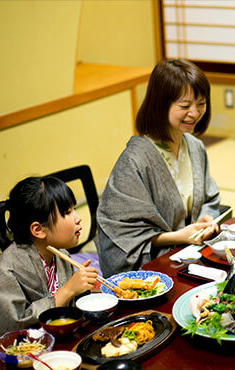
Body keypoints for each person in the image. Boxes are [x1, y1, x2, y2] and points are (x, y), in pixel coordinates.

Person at [96, 59, 221, 277]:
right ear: (161, 104)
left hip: (191, 256)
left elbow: (210, 200)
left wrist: (205, 220)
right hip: (156, 268)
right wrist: (179, 236)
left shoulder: (194, 147)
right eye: (184, 106)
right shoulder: (134, 161)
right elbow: (121, 233)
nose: (195, 112)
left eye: (201, 103)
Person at [0, 176, 98, 364]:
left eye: (74, 209)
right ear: (38, 229)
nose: (78, 217)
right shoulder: (6, 273)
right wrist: (67, 291)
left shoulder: (60, 254)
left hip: (46, 351)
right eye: (67, 212)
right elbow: (11, 334)